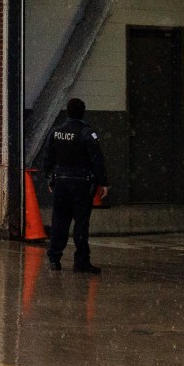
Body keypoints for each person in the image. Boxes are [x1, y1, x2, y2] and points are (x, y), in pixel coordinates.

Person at [37, 97, 108, 273]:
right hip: (81, 185)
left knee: (59, 221)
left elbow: (47, 157)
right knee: (81, 223)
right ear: (82, 112)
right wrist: (103, 182)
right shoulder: (86, 133)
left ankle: (54, 258)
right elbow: (97, 159)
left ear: (67, 111)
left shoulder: (56, 131)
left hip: (61, 182)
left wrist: (50, 177)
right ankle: (81, 261)